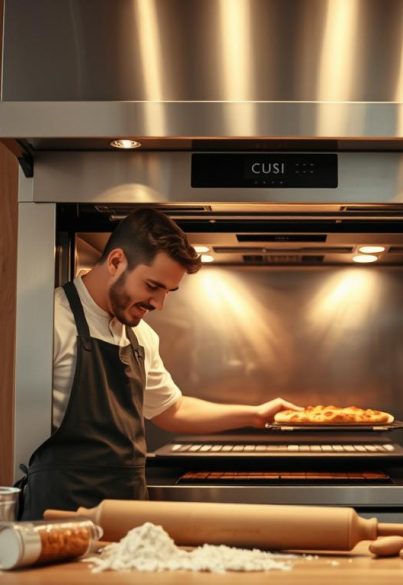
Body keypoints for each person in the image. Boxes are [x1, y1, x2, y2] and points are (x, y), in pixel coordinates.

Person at [17, 208, 300, 519]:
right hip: (58, 517)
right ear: (115, 262)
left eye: (168, 291)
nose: (159, 304)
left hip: (128, 521)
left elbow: (171, 410)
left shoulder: (141, 338)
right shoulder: (48, 322)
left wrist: (256, 415)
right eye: (153, 286)